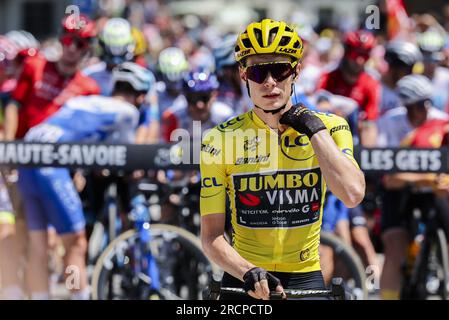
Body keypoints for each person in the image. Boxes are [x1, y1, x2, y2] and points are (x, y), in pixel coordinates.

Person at [200, 18, 365, 300]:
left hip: (305, 277)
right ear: (243, 75)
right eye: (257, 72)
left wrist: (315, 131)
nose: (270, 82)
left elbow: (352, 194)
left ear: (296, 71)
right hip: (246, 279)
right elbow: (211, 236)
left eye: (279, 70)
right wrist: (247, 270)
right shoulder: (219, 139)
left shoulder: (332, 127)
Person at [17, 62, 153, 300]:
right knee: (75, 243)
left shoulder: (88, 100)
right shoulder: (127, 112)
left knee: (38, 245)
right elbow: (125, 160)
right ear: (140, 96)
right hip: (51, 164)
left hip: (28, 155)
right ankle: (79, 297)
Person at [377, 74, 449, 300]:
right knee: (395, 248)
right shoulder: (390, 121)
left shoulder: (442, 121)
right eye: (414, 107)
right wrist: (423, 179)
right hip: (399, 189)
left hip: (433, 190)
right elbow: (390, 178)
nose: (420, 112)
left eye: (425, 105)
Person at [317, 30, 380, 147]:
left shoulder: (371, 83)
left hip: (354, 138)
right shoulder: (327, 77)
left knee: (369, 127)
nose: (359, 61)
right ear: (346, 52)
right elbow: (317, 109)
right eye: (355, 54)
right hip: (327, 135)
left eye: (365, 55)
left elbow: (370, 122)